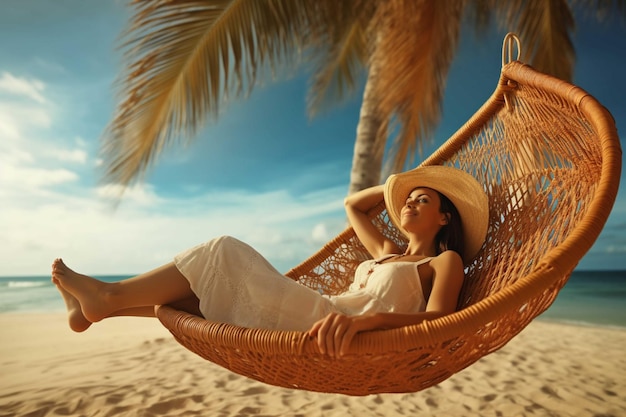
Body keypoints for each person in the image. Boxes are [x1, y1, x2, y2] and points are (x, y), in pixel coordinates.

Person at [52, 165, 488, 358]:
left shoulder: (443, 262)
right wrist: (401, 181)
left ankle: (107, 296)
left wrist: (368, 322)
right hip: (320, 311)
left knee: (223, 250)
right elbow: (354, 206)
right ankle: (100, 309)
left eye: (423, 200)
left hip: (328, 324)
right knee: (195, 299)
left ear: (444, 217)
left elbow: (439, 325)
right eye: (407, 201)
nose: (409, 204)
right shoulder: (385, 254)